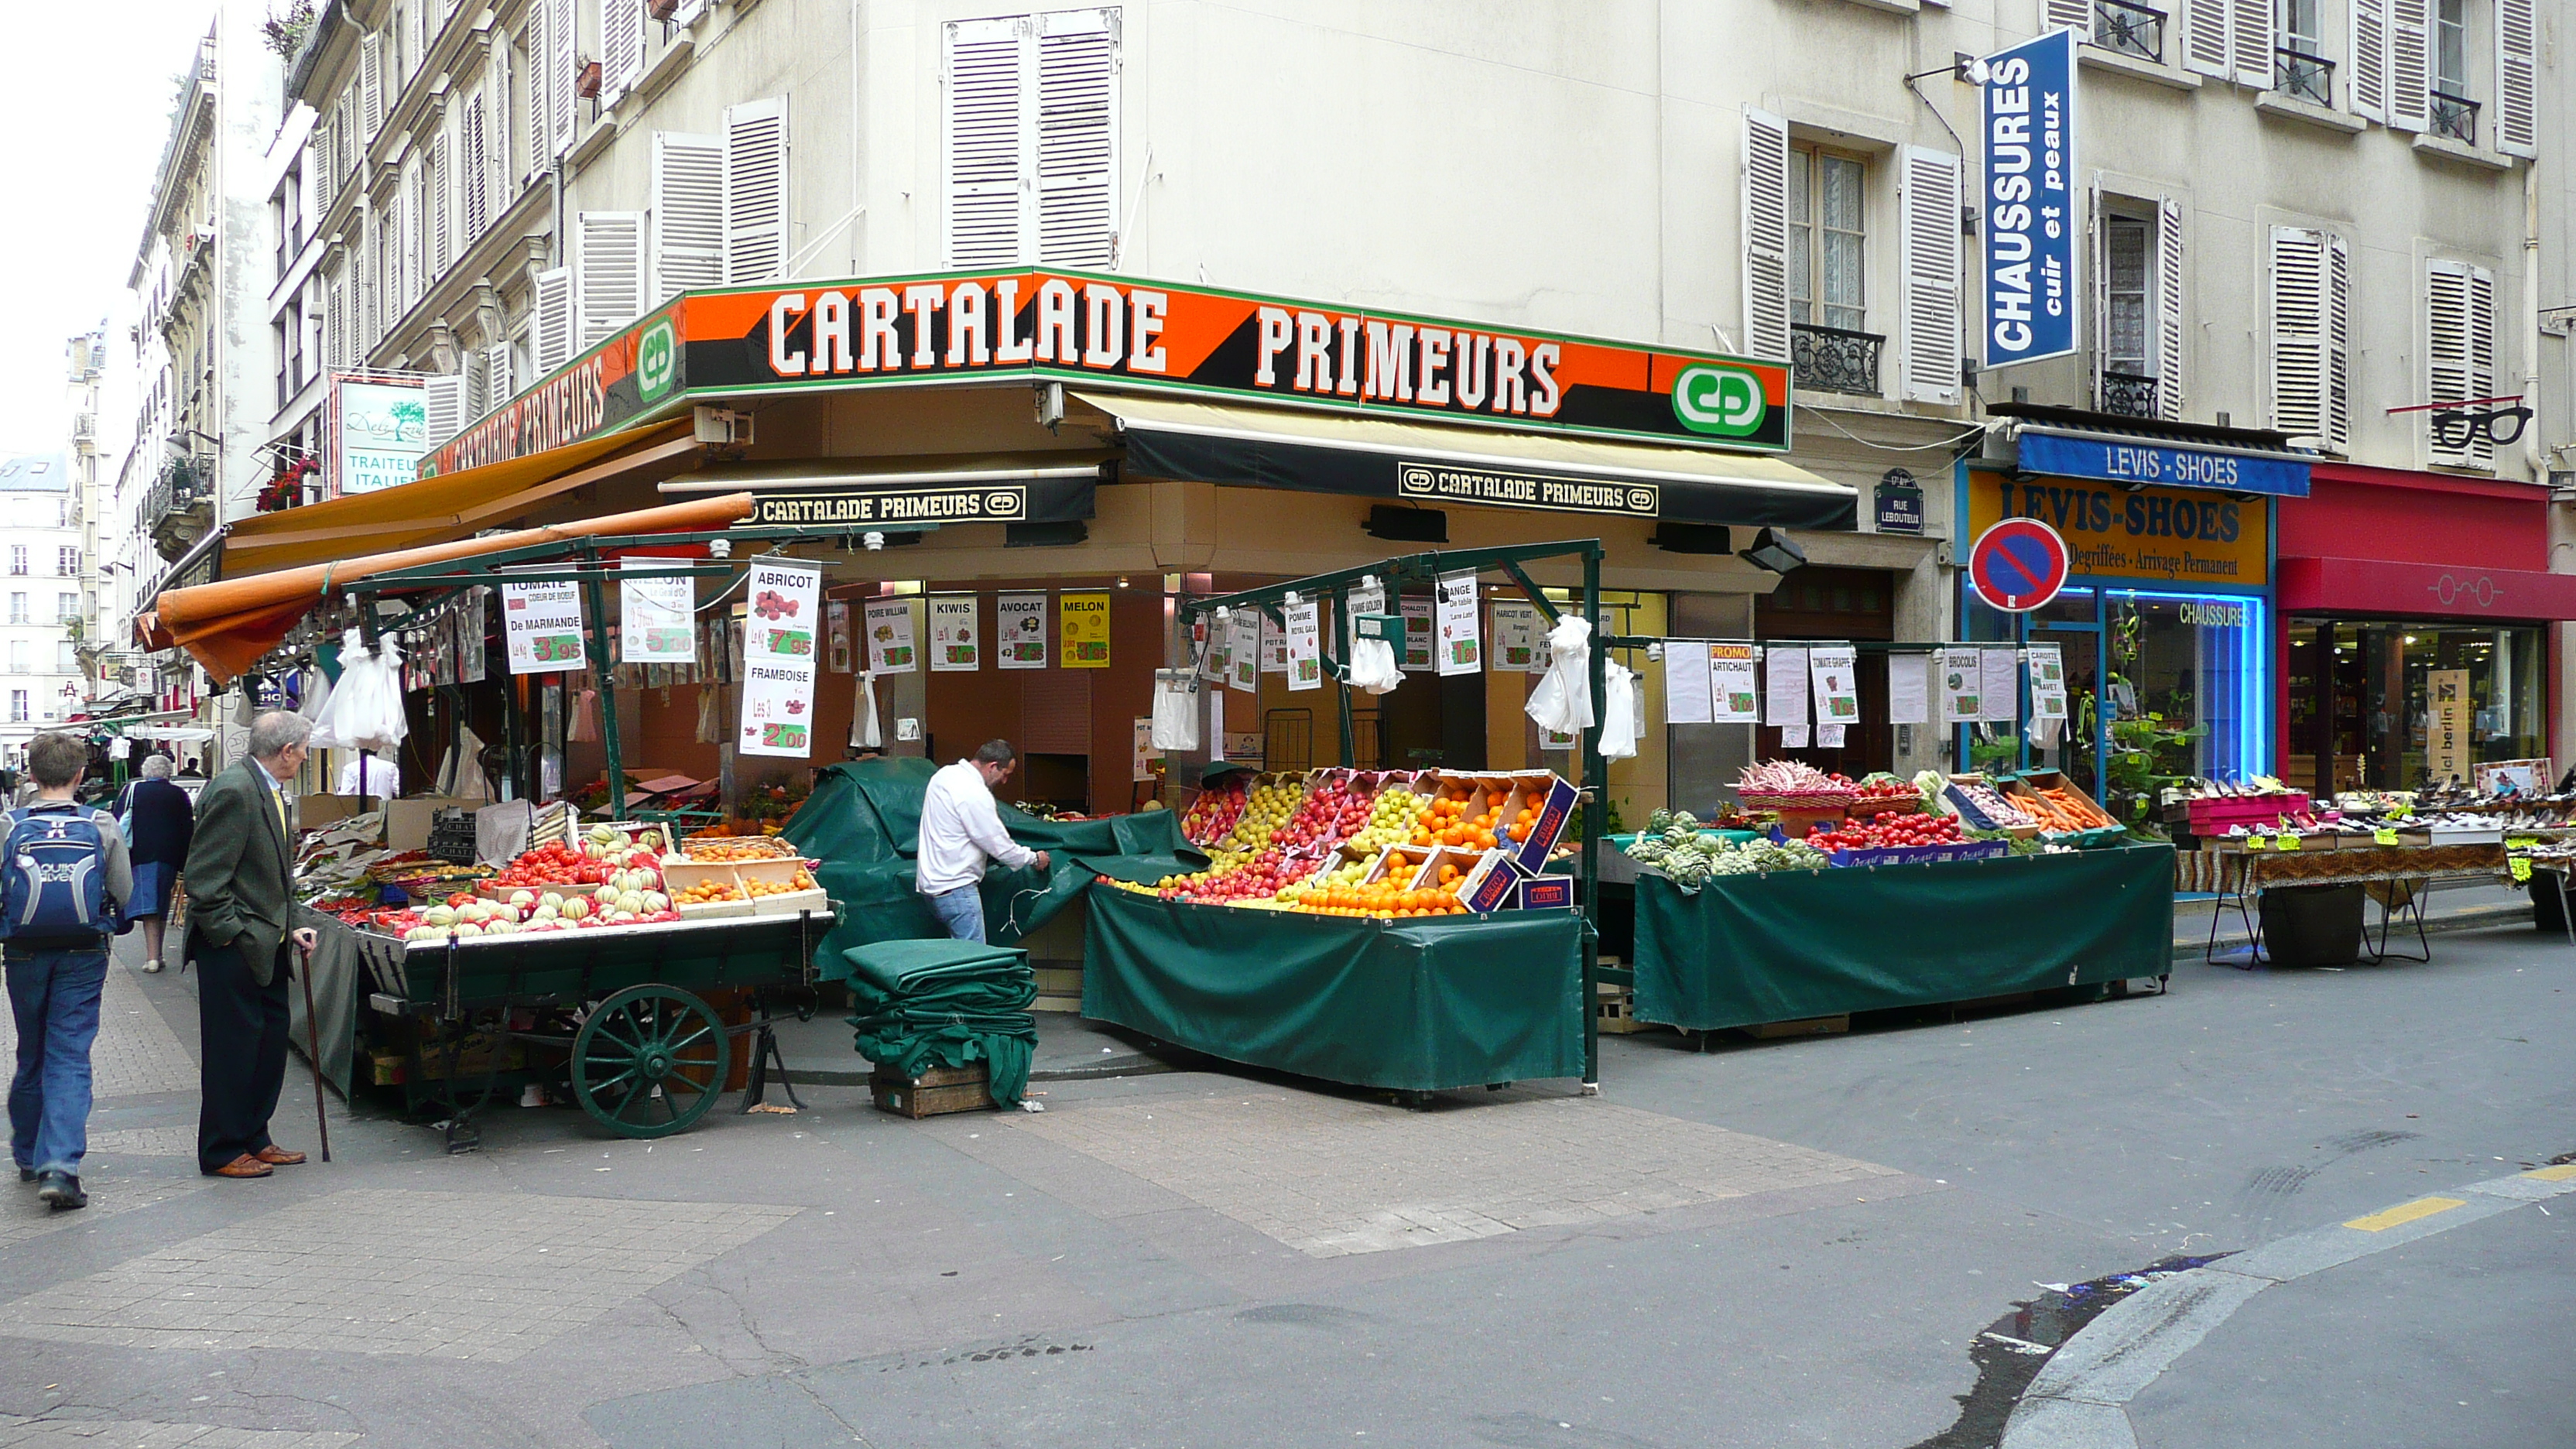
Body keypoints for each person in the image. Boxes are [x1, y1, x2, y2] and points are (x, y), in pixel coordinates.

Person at [183, 711, 317, 1180]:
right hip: (236, 947)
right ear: (286, 751)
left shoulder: (269, 791)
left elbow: (277, 874)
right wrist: (234, 934)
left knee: (268, 1044)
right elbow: (203, 880)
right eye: (303, 749)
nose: (305, 756)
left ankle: (254, 1135)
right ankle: (222, 1149)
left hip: (268, 943)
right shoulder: (234, 791)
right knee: (232, 1051)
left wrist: (293, 922)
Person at [5, 731, 134, 1212]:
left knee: (31, 1049)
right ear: (81, 775)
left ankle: (27, 1152)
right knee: (70, 1054)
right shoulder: (101, 823)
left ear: (32, 774)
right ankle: (60, 1165)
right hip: (84, 952)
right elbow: (122, 890)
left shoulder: (7, 824)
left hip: (23, 951)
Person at [915, 740, 1049, 944]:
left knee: (955, 956)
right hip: (958, 889)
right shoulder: (974, 793)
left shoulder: (944, 776)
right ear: (993, 766)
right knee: (973, 961)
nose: (1004, 782)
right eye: (1005, 775)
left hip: (933, 887)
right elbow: (999, 845)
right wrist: (1033, 858)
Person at [113, 755, 196, 974]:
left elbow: (117, 820)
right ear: (168, 773)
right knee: (160, 902)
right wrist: (184, 861)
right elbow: (187, 829)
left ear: (145, 772)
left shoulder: (133, 791)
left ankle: (151, 958)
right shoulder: (178, 795)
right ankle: (157, 954)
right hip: (169, 856)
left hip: (139, 855)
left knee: (149, 905)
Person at [335, 752, 399, 800]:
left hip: (360, 811)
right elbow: (397, 791)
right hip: (384, 810)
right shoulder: (391, 767)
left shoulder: (351, 768)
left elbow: (345, 795)